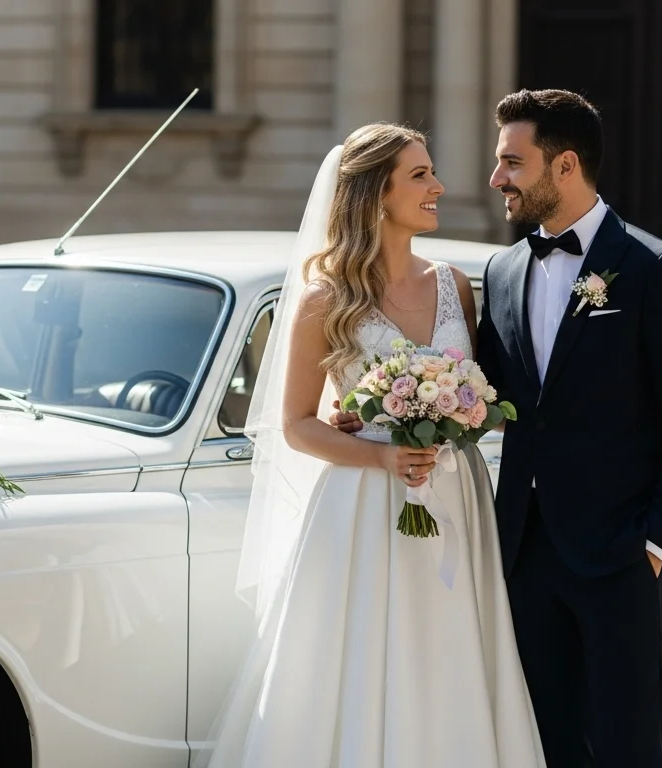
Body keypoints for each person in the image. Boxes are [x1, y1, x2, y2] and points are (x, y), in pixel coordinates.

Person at [336, 88, 662, 767]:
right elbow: (484, 396)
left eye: (512, 162)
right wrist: (377, 410)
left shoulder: (655, 269)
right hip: (521, 554)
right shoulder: (504, 270)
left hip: (622, 555)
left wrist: (660, 542)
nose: (495, 180)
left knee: (629, 747)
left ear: (564, 165)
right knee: (541, 742)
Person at [198, 123, 545, 767]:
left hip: (454, 493)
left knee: (450, 648)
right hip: (363, 507)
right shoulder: (325, 297)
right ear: (373, 194)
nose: (439, 186)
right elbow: (297, 422)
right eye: (420, 176)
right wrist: (383, 454)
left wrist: (467, 416)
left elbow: (480, 394)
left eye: (433, 172)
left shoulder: (454, 284)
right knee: (363, 657)